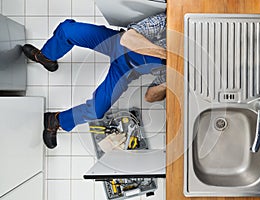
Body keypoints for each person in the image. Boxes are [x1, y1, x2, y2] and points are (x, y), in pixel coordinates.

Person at [22, 12, 167, 149]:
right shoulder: (169, 23)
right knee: (67, 30)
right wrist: (168, 55)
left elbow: (150, 96)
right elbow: (128, 39)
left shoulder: (180, 69)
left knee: (97, 110)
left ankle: (56, 120)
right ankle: (46, 56)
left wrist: (168, 83)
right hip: (115, 42)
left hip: (126, 72)